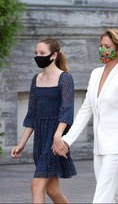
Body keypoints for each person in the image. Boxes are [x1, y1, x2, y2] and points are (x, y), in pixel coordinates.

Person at [52, 29, 118, 203]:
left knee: (101, 198)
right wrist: (67, 140)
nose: (102, 50)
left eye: (107, 47)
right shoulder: (95, 74)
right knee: (113, 195)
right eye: (101, 46)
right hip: (100, 147)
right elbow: (85, 110)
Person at [10, 37, 77, 203]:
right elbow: (32, 114)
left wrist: (58, 136)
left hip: (55, 139)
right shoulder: (36, 79)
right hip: (40, 138)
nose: (37, 56)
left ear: (53, 55)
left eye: (42, 53)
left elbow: (67, 110)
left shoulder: (65, 78)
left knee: (37, 184)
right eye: (36, 53)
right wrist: (21, 144)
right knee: (53, 191)